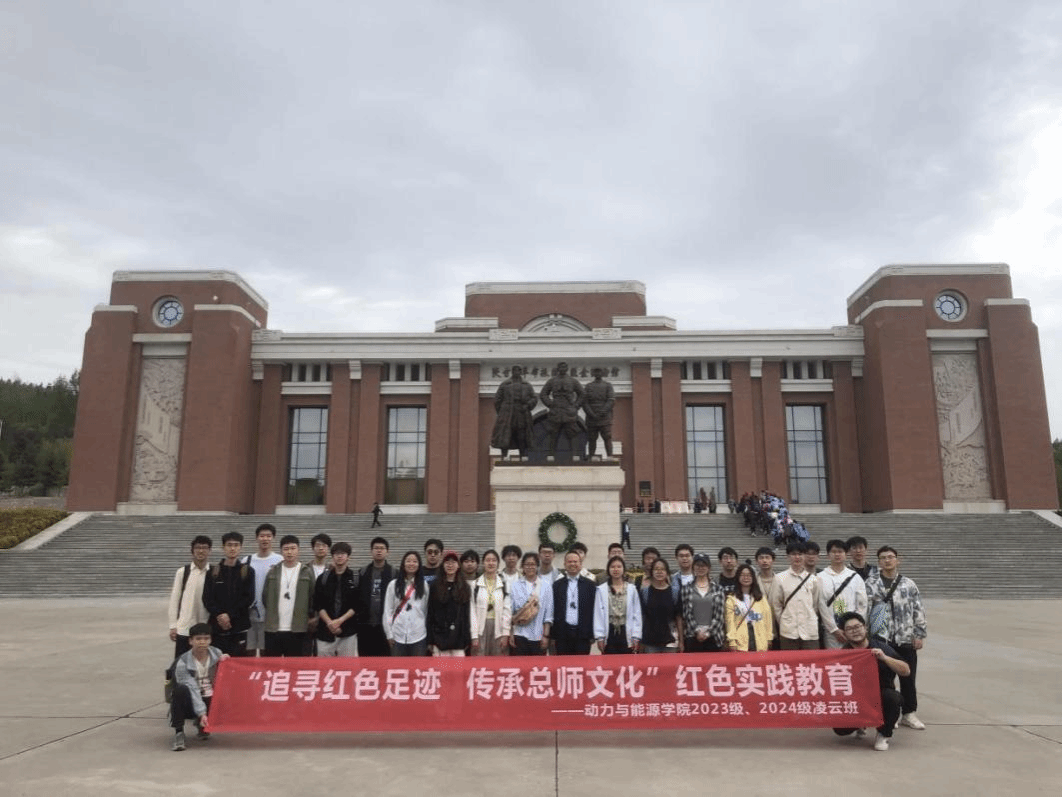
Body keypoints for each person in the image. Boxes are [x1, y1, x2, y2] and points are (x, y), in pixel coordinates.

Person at [866, 546, 928, 731]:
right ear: (879, 562)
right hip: (881, 639)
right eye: (883, 558)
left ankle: (909, 713)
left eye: (890, 557)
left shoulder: (909, 584)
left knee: (908, 678)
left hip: (905, 637)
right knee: (886, 680)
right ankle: (890, 714)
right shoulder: (871, 583)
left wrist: (919, 634)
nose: (887, 560)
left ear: (897, 560)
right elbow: (865, 609)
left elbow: (918, 609)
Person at [832, 612, 911, 752]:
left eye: (858, 626)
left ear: (865, 628)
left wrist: (885, 658)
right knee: (840, 728)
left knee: (893, 698)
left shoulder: (880, 647)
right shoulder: (844, 653)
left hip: (881, 695)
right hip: (857, 698)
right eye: (850, 629)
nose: (855, 631)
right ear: (844, 634)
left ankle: (884, 734)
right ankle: (861, 723)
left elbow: (906, 671)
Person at [168, 623, 229, 751]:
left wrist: (227, 662)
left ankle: (202, 724)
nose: (202, 642)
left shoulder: (217, 654)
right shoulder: (183, 662)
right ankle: (179, 732)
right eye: (198, 639)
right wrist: (202, 713)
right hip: (192, 699)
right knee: (180, 691)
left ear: (210, 640)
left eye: (206, 638)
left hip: (211, 697)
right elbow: (192, 688)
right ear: (190, 641)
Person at [261, 535, 315, 657]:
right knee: (273, 665)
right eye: (286, 549)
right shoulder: (273, 571)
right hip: (274, 628)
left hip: (298, 628)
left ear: (298, 550)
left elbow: (313, 596)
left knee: (295, 665)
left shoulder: (306, 571)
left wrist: (310, 616)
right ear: (281, 551)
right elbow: (265, 597)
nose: (289, 552)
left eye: (293, 548)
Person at [202, 531, 253, 657]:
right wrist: (220, 615)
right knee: (218, 662)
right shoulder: (213, 572)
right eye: (229, 545)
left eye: (236, 545)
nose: (232, 548)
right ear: (223, 547)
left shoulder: (247, 571)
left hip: (239, 627)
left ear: (241, 547)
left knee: (239, 663)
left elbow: (248, 598)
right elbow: (207, 598)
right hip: (217, 628)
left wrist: (229, 615)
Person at [770, 542, 823, 650]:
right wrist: (784, 621)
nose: (797, 557)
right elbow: (776, 605)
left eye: (800, 554)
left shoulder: (813, 579)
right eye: (794, 554)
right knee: (790, 659)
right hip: (788, 631)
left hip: (809, 630)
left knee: (811, 659)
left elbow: (815, 604)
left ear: (804, 556)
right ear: (787, 557)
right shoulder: (779, 578)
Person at [818, 539, 868, 649]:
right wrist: (834, 629)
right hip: (831, 631)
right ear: (828, 555)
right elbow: (821, 605)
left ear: (846, 554)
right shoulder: (820, 577)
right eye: (834, 552)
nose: (837, 555)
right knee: (834, 658)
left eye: (840, 552)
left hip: (853, 630)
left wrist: (856, 626)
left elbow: (862, 604)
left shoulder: (855, 577)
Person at [168, 535, 212, 658]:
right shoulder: (183, 572)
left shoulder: (214, 572)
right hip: (185, 628)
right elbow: (174, 599)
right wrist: (173, 625)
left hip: (205, 628)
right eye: (198, 548)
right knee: (182, 662)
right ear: (192, 550)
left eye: (204, 548)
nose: (201, 551)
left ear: (210, 551)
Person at [427, 551, 478, 656]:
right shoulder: (435, 586)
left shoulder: (465, 587)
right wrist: (430, 639)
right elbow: (430, 614)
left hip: (459, 639)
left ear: (458, 566)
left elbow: (466, 615)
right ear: (443, 565)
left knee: (458, 667)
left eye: (453, 562)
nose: (450, 565)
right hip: (439, 639)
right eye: (447, 562)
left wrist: (467, 638)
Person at [313, 541, 359, 657]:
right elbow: (318, 604)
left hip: (348, 631)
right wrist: (330, 623)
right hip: (325, 631)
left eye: (343, 554)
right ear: (332, 556)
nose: (339, 556)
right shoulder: (323, 578)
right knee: (324, 666)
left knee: (347, 667)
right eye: (336, 554)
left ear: (348, 557)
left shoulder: (356, 578)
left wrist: (339, 621)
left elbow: (357, 605)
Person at [383, 551, 429, 656]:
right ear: (403, 564)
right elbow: (387, 611)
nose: (411, 564)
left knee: (418, 666)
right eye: (408, 561)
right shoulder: (393, 585)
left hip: (418, 635)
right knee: (398, 666)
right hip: (397, 635)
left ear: (419, 565)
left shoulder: (424, 585)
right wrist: (389, 634)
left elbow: (426, 611)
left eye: (415, 561)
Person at [594, 556, 642, 654]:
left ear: (623, 569)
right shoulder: (601, 590)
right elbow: (598, 614)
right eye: (612, 567)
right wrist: (600, 637)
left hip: (626, 630)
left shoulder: (631, 589)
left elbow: (636, 613)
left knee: (627, 661)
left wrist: (636, 636)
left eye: (619, 567)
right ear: (608, 569)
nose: (616, 569)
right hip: (610, 630)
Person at [552, 551, 597, 655]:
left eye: (575, 562)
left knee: (582, 663)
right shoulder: (557, 585)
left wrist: (592, 634)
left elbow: (593, 610)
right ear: (564, 564)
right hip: (562, 634)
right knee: (563, 663)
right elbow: (554, 610)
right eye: (569, 561)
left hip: (583, 634)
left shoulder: (589, 585)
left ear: (581, 564)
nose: (572, 564)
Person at [679, 553, 726, 652]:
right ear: (693, 567)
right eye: (698, 565)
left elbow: (719, 615)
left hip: (714, 636)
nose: (701, 568)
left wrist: (708, 633)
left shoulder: (718, 589)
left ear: (709, 568)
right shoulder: (686, 588)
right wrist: (697, 631)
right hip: (692, 636)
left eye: (703, 565)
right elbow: (687, 614)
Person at [508, 552, 553, 656]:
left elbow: (548, 614)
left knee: (537, 666)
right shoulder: (515, 585)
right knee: (520, 664)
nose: (530, 567)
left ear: (537, 566)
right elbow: (511, 612)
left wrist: (546, 636)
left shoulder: (546, 586)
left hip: (538, 635)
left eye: (532, 564)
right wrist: (511, 633)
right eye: (527, 564)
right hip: (519, 634)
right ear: (522, 566)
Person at [248, 524, 282, 656]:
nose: (265, 539)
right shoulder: (247, 560)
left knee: (266, 652)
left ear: (273, 538)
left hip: (270, 615)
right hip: (249, 614)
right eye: (262, 536)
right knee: (248, 651)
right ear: (257, 538)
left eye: (268, 536)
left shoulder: (280, 560)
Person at [357, 536, 394, 656]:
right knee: (365, 660)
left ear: (387, 552)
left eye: (382, 548)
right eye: (376, 548)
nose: (379, 551)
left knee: (385, 660)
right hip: (365, 625)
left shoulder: (394, 572)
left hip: (386, 626)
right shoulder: (363, 572)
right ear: (371, 551)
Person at [539, 361, 585, 458]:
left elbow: (582, 394)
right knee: (553, 433)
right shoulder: (552, 381)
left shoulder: (573, 381)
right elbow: (543, 394)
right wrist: (550, 404)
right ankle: (551, 455)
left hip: (569, 410)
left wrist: (576, 406)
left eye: (564, 367)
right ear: (558, 369)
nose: (562, 369)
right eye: (560, 367)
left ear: (567, 369)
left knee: (572, 433)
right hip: (556, 410)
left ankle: (575, 455)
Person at [490, 365, 538, 457]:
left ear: (521, 372)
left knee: (521, 433)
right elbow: (498, 400)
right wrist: (502, 412)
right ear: (512, 372)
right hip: (508, 411)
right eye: (515, 370)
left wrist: (527, 405)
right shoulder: (505, 384)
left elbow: (534, 398)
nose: (517, 372)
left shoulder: (527, 385)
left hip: (521, 412)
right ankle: (504, 456)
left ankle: (522, 455)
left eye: (518, 370)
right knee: (505, 433)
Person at [725, 564, 773, 652]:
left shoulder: (760, 598)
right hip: (740, 639)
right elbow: (730, 622)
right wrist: (732, 641)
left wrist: (769, 637)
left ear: (753, 578)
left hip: (759, 638)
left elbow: (767, 619)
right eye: (743, 575)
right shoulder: (731, 599)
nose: (746, 578)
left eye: (749, 575)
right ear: (738, 577)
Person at [473, 549, 511, 655]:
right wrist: (474, 635)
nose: (491, 563)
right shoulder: (475, 584)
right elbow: (472, 612)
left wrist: (505, 633)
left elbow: (507, 610)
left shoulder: (504, 584)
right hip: (480, 627)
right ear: (483, 563)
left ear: (498, 563)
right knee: (479, 658)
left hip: (498, 626)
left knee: (498, 659)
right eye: (487, 560)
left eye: (494, 560)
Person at [638, 558, 681, 653]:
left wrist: (681, 641)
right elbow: (641, 617)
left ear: (667, 573)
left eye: (662, 569)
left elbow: (678, 617)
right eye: (656, 569)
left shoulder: (674, 593)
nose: (659, 572)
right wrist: (640, 641)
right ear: (652, 572)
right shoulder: (645, 593)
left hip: (670, 642)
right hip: (650, 642)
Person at [581, 367, 615, 459]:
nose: (597, 374)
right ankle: (591, 456)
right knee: (592, 438)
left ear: (602, 373)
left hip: (605, 417)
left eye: (599, 372)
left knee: (607, 437)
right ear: (593, 374)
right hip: (591, 417)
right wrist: (591, 413)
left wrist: (603, 411)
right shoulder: (588, 386)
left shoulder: (608, 386)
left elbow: (611, 400)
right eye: (595, 372)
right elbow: (584, 402)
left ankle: (610, 456)